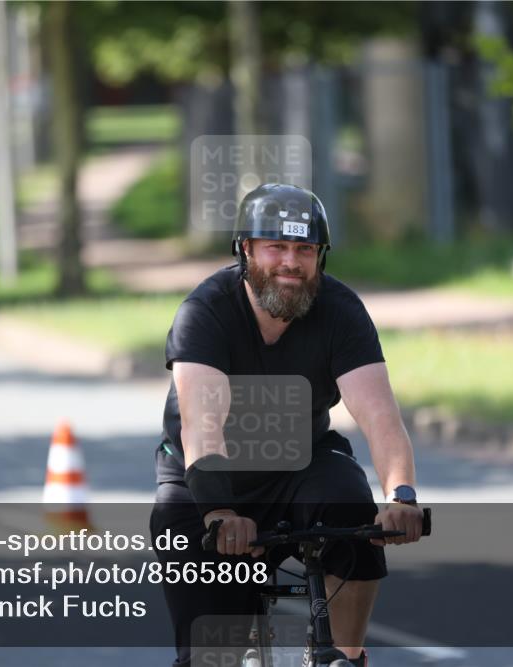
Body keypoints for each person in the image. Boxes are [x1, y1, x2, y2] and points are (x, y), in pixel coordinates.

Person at [150, 183, 424, 667]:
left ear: (320, 257)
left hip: (300, 465)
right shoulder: (204, 313)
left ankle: (343, 656)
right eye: (276, 247)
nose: (291, 263)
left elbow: (380, 415)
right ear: (245, 250)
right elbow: (202, 427)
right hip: (204, 484)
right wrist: (219, 512)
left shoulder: (340, 311)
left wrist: (401, 496)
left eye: (305, 249)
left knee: (350, 505)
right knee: (210, 656)